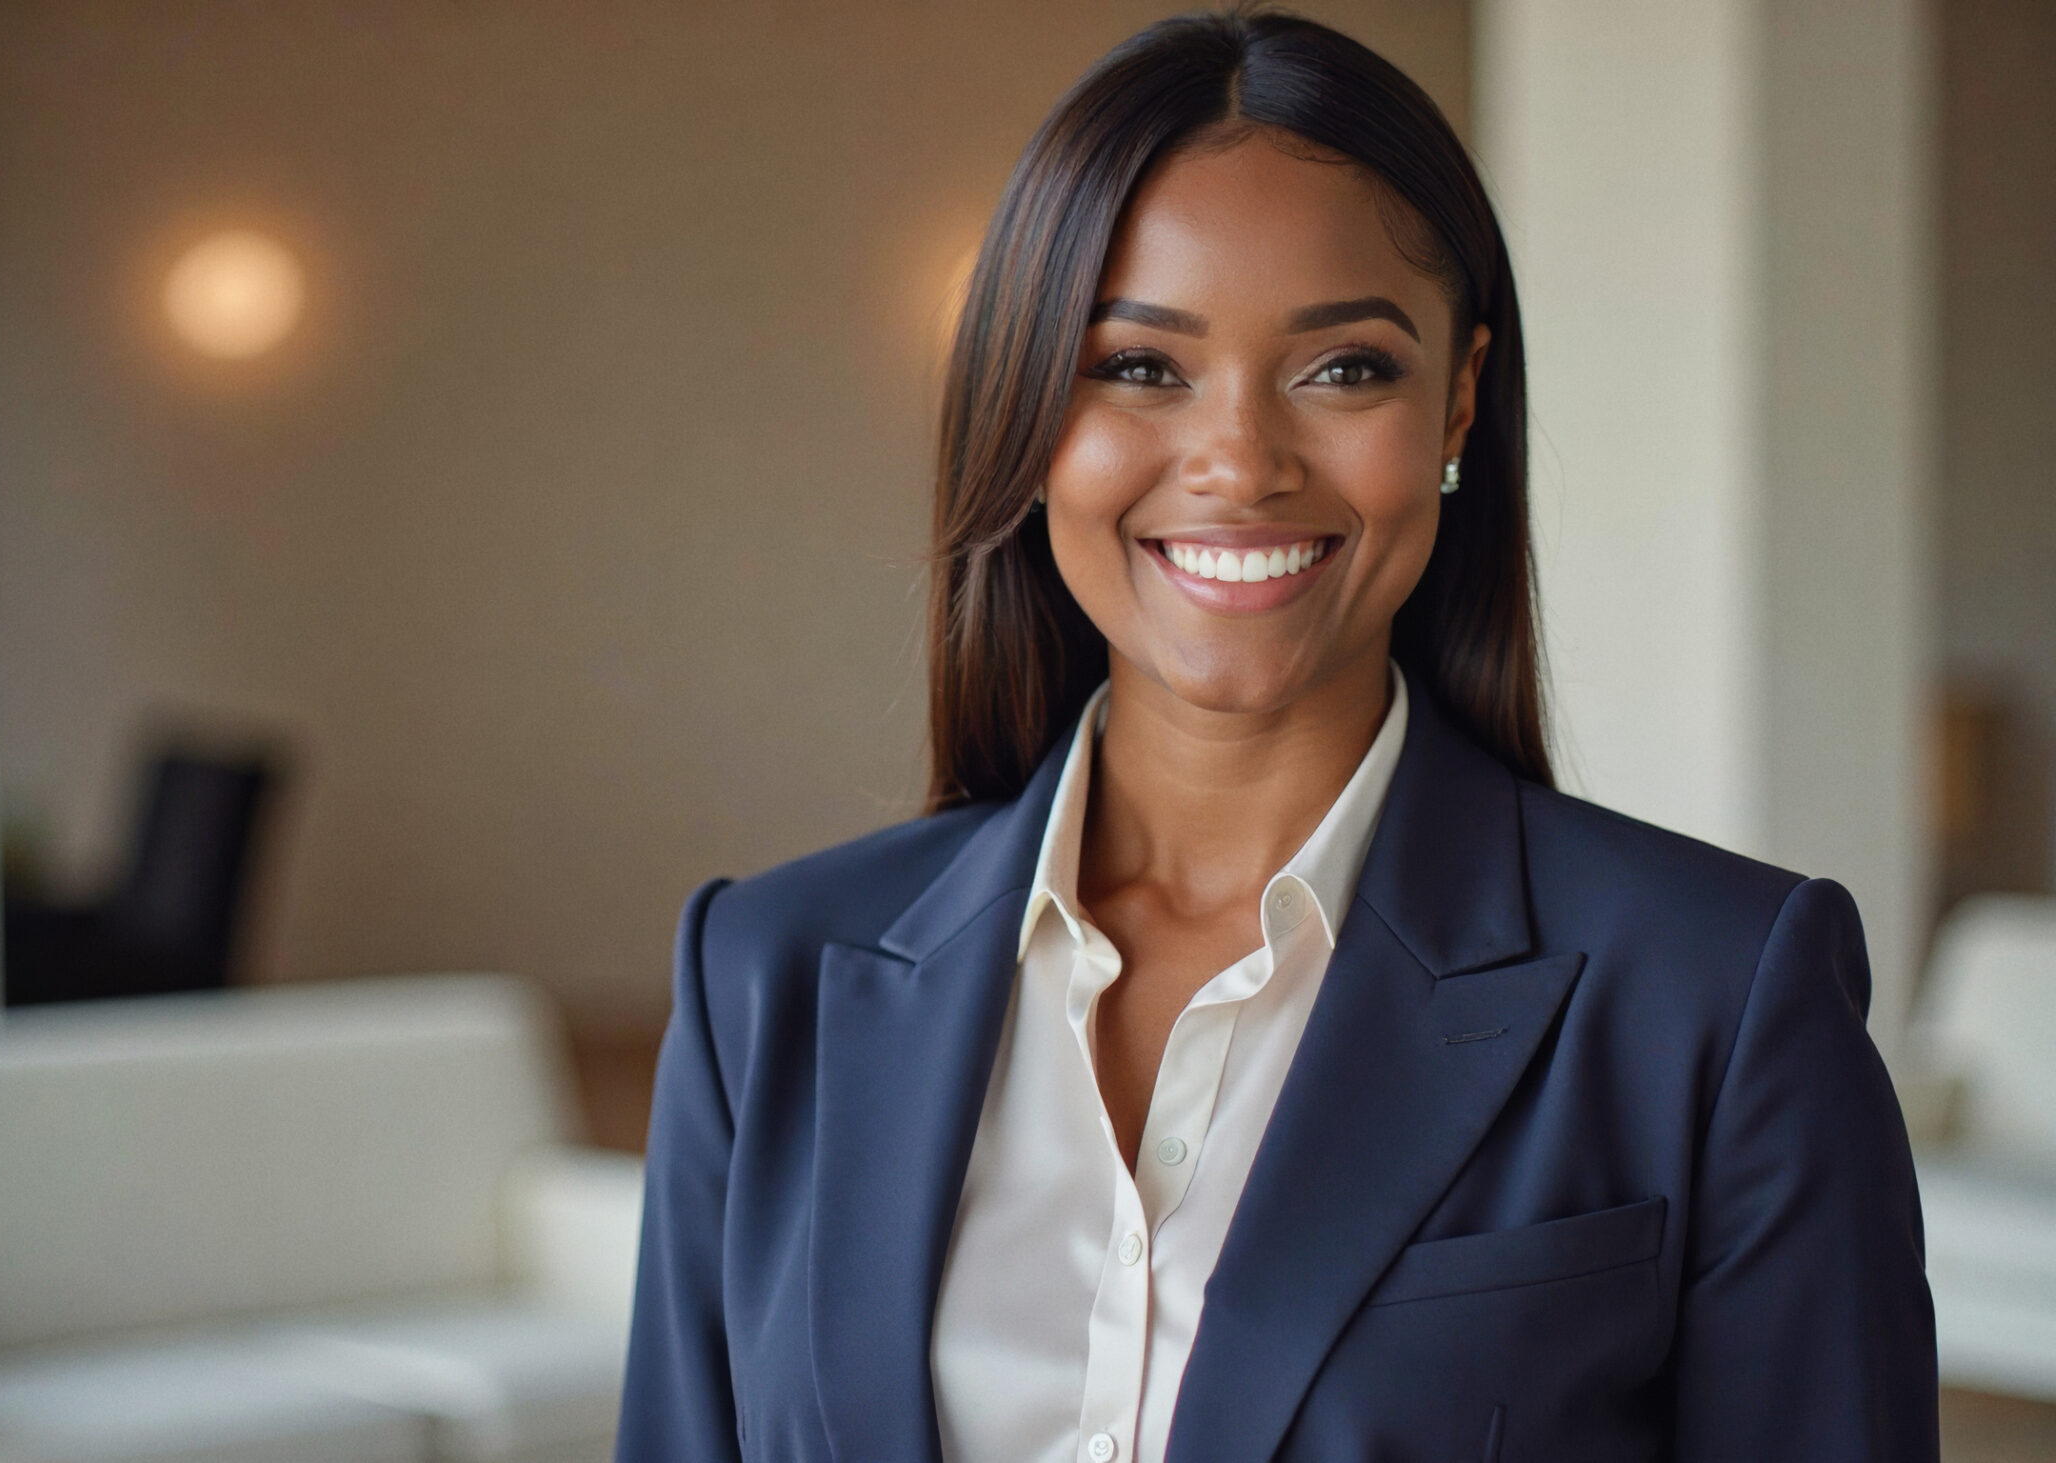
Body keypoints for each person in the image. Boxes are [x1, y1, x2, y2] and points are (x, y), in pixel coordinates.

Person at [615, 11, 1936, 1462]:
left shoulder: (1718, 997)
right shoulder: (767, 977)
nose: (1240, 461)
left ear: (1461, 398)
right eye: (1137, 367)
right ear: (1026, 410)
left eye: (1345, 368)